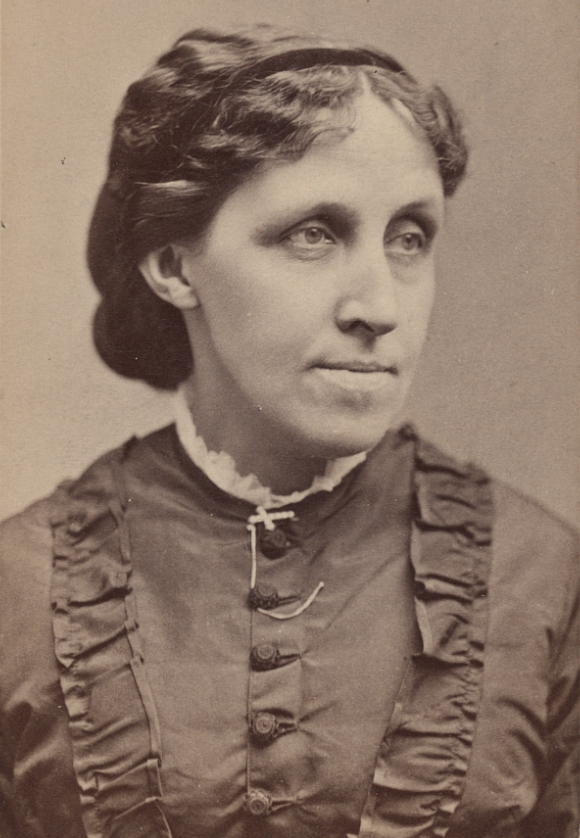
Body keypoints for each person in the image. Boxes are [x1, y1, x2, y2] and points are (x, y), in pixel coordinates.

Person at [0, 24, 578, 838]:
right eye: (314, 234)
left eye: (410, 238)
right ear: (173, 264)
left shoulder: (541, 574)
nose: (379, 306)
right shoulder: (20, 590)